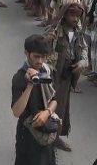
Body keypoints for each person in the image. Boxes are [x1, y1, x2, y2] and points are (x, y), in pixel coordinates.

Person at [11, 34, 59, 165]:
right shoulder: (19, 77)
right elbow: (16, 112)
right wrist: (30, 84)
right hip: (27, 135)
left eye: (43, 57)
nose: (40, 61)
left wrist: (47, 112)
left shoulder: (46, 71)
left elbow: (54, 99)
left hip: (45, 131)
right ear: (27, 54)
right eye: (36, 56)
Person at [47, 3, 87, 152]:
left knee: (61, 107)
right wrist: (47, 39)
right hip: (52, 74)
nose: (75, 19)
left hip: (66, 75)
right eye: (72, 15)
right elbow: (41, 46)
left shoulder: (78, 31)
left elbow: (83, 49)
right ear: (64, 15)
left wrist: (82, 62)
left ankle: (55, 137)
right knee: (47, 105)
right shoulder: (56, 30)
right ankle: (44, 136)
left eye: (78, 16)